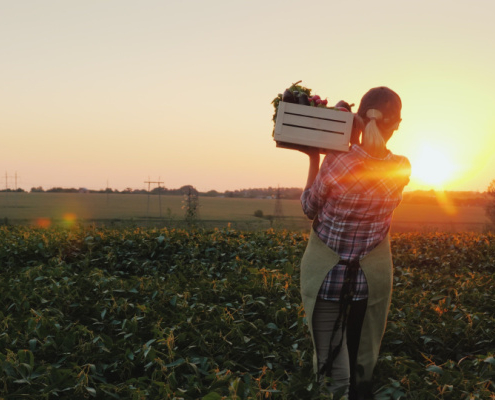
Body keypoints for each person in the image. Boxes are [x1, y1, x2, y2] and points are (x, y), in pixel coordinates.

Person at [298, 87, 411, 399]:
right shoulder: (401, 168)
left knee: (330, 370)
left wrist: (315, 157)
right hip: (368, 284)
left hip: (327, 281)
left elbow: (309, 208)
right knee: (361, 367)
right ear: (397, 124)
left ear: (359, 118)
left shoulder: (337, 161)